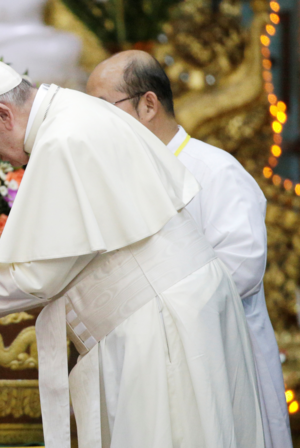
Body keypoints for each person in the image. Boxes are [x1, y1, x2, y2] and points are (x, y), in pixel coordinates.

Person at [0, 59, 265, 448]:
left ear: (2, 114)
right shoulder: (76, 115)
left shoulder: (63, 138)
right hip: (167, 317)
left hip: (162, 330)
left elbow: (38, 275)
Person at [85, 50, 292, 448]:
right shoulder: (116, 180)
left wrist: (148, 303)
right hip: (145, 370)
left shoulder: (215, 171)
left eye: (104, 108)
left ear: (148, 105)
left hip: (219, 362)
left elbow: (242, 269)